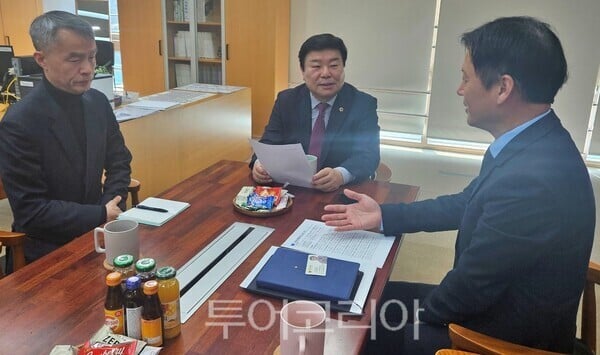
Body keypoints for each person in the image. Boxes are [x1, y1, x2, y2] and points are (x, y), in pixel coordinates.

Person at [322, 16, 595, 354]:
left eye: (466, 78)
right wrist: (381, 216)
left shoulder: (534, 179)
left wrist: (411, 326)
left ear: (503, 88)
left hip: (503, 338)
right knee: (365, 296)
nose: (460, 89)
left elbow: (472, 287)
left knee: (357, 327)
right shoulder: (531, 142)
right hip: (495, 304)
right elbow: (467, 203)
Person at [0, 11, 132, 264]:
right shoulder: (19, 122)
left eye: (92, 57)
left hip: (100, 233)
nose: (87, 69)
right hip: (47, 249)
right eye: (74, 59)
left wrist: (111, 205)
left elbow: (119, 162)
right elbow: (31, 211)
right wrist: (99, 213)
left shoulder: (97, 102)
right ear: (42, 59)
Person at [250, 33, 380, 192]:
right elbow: (269, 143)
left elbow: (368, 155)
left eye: (334, 65)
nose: (326, 73)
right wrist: (259, 165)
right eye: (316, 66)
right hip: (293, 192)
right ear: (303, 71)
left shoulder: (363, 104)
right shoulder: (287, 100)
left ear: (343, 68)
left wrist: (340, 175)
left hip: (340, 193)